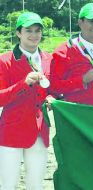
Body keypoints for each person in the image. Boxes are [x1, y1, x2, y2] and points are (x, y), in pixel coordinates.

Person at [0, 12, 53, 190]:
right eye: (28, 30)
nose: (34, 35)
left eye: (37, 30)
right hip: (11, 132)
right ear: (18, 33)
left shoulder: (49, 59)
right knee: (8, 185)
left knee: (36, 185)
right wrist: (23, 84)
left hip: (39, 132)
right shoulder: (4, 61)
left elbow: (53, 91)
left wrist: (52, 98)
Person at [50, 3, 93, 106]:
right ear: (80, 22)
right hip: (80, 116)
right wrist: (82, 80)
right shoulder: (63, 52)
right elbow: (53, 86)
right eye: (92, 21)